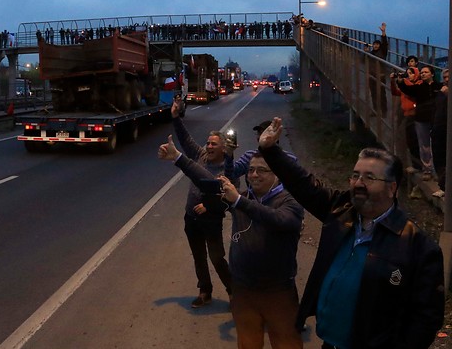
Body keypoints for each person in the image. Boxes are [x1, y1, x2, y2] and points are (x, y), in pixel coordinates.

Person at [257, 117, 444, 349]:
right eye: (355, 175)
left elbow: (426, 319)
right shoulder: (341, 211)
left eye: (369, 177)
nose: (358, 183)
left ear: (392, 188)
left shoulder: (418, 248)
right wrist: (270, 150)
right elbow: (304, 185)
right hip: (330, 343)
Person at [158, 136, 304, 349]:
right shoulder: (243, 198)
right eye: (251, 170)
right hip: (243, 291)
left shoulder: (289, 203)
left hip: (278, 293)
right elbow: (207, 180)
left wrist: (238, 201)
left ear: (278, 175)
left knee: (286, 344)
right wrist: (178, 157)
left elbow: (279, 220)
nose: (254, 175)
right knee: (247, 344)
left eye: (262, 170)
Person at [167, 96, 232, 308]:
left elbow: (230, 200)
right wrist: (176, 117)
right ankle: (205, 291)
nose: (209, 146)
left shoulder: (230, 169)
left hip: (211, 221)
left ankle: (235, 292)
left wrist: (209, 206)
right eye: (208, 142)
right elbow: (185, 140)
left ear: (224, 148)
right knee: (199, 257)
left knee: (217, 258)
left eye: (214, 144)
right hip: (191, 218)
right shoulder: (201, 156)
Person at [394, 66, 443, 181]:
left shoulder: (439, 86)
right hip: (421, 119)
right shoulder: (419, 87)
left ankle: (439, 171)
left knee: (437, 144)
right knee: (424, 145)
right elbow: (407, 89)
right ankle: (427, 170)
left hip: (436, 119)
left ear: (432, 74)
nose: (423, 74)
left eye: (426, 72)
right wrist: (400, 81)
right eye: (421, 72)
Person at [390, 58, 421, 173]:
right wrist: (393, 81)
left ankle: (418, 165)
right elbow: (395, 92)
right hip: (406, 115)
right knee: (407, 140)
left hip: (414, 116)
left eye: (411, 74)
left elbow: (410, 91)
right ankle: (408, 164)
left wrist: (402, 81)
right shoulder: (406, 85)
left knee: (414, 141)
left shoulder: (418, 84)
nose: (409, 76)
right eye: (408, 74)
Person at [364, 22, 389, 116]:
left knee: (382, 94)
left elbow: (385, 44)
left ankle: (384, 111)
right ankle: (375, 111)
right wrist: (365, 53)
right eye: (374, 44)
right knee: (373, 94)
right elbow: (363, 61)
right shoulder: (370, 53)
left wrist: (383, 33)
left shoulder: (383, 52)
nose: (376, 46)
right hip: (372, 76)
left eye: (378, 44)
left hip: (380, 76)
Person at [432, 69, 449, 198]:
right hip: (438, 129)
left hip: (447, 130)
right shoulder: (441, 92)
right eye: (445, 77)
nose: (447, 79)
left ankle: (445, 186)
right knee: (439, 159)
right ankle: (443, 186)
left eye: (449, 76)